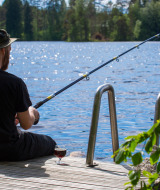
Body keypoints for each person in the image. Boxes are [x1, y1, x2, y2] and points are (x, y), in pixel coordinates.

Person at [0, 29, 57, 161]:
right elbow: (26, 124)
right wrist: (32, 113)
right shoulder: (14, 83)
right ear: (3, 50)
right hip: (9, 150)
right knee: (50, 142)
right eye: (9, 47)